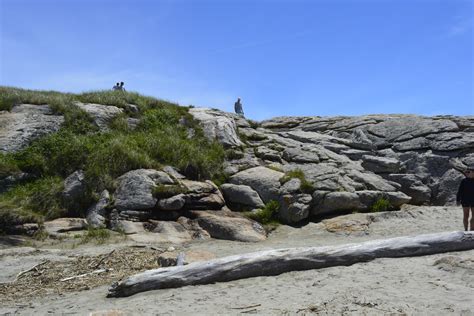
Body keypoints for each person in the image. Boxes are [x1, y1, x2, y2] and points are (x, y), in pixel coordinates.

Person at [456, 166, 474, 231]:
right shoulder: (464, 181)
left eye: (469, 172)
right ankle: (466, 230)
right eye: (467, 172)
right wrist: (458, 200)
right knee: (466, 216)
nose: (467, 173)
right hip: (465, 200)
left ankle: (472, 230)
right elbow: (460, 191)